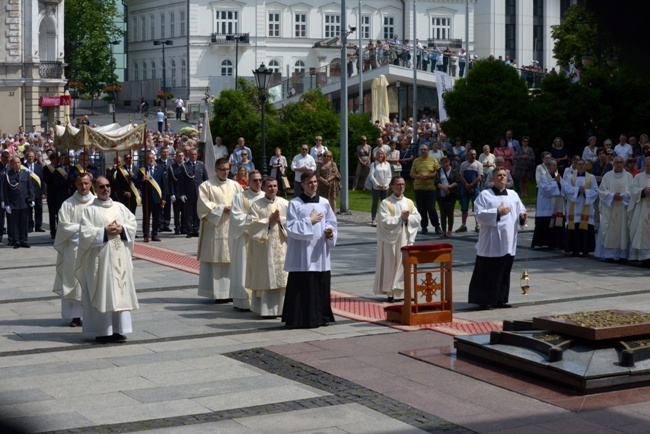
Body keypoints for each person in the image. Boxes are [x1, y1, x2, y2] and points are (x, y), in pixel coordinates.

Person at [76, 176, 138, 343]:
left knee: (120, 291)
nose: (105, 189)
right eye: (101, 186)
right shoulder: (90, 210)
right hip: (101, 261)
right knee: (104, 291)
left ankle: (118, 329)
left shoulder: (120, 207)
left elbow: (132, 224)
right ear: (95, 189)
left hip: (120, 260)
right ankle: (103, 330)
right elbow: (85, 234)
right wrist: (104, 231)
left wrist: (122, 228)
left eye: (108, 186)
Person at [282, 171, 337, 329]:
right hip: (302, 254)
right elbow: (291, 228)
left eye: (315, 182)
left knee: (320, 283)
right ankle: (300, 318)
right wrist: (309, 221)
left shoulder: (324, 203)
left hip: (319, 251)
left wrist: (329, 232)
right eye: (309, 183)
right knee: (303, 284)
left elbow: (331, 223)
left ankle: (320, 316)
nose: (313, 185)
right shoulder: (295, 204)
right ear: (303, 185)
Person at [468, 167, 527, 310]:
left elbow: (521, 209)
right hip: (491, 241)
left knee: (504, 270)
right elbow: (479, 215)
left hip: (508, 240)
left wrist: (522, 216)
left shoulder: (513, 194)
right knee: (488, 271)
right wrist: (497, 212)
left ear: (507, 178)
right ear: (493, 178)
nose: (502, 177)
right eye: (498, 175)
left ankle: (500, 299)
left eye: (504, 175)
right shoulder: (485, 195)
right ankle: (484, 300)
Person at [196, 158, 243, 302]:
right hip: (215, 229)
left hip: (232, 227)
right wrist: (222, 208)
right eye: (222, 169)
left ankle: (233, 291)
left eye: (228, 169)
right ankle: (219, 293)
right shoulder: (207, 186)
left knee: (232, 259)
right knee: (217, 260)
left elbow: (243, 203)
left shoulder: (236, 185)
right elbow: (203, 205)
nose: (226, 172)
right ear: (216, 170)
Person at [53, 172, 94, 328]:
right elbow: (63, 226)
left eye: (86, 183)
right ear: (75, 185)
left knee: (91, 281)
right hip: (74, 249)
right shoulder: (68, 204)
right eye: (80, 184)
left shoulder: (97, 203)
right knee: (74, 281)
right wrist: (84, 230)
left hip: (92, 249)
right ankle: (75, 316)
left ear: (91, 184)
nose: (83, 186)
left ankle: (92, 314)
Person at [373, 176, 421, 302]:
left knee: (405, 265)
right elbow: (384, 221)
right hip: (391, 241)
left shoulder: (409, 202)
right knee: (391, 265)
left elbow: (417, 218)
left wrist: (407, 219)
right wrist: (401, 218)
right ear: (392, 187)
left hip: (405, 238)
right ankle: (391, 293)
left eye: (403, 184)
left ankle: (406, 292)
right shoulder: (386, 203)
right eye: (398, 184)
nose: (401, 187)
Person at [247, 177, 290, 317]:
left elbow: (293, 223)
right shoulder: (256, 205)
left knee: (283, 277)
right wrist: (269, 221)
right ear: (263, 188)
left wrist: (281, 221)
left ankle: (284, 309)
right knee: (267, 276)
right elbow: (251, 226)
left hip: (282, 246)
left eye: (275, 186)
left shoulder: (285, 204)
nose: (273, 188)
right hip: (264, 249)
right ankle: (267, 310)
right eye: (270, 186)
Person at [229, 170, 264, 311]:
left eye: (260, 180)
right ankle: (242, 301)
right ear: (248, 182)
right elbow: (236, 218)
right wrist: (254, 221)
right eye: (255, 180)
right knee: (243, 268)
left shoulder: (265, 196)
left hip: (260, 240)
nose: (258, 183)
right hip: (245, 239)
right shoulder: (239, 197)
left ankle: (258, 301)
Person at [594, 156, 633, 262]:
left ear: (624, 164)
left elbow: (633, 191)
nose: (619, 164)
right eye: (617, 162)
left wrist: (624, 195)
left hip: (623, 209)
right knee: (609, 231)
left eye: (621, 162)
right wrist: (612, 196)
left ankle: (623, 255)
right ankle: (609, 255)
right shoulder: (607, 176)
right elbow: (602, 190)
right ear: (613, 164)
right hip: (610, 208)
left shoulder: (629, 176)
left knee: (623, 231)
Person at [562, 159, 598, 257]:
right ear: (576, 166)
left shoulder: (592, 177)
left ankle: (586, 249)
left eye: (583, 164)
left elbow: (595, 191)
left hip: (586, 205)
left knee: (586, 226)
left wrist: (585, 192)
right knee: (575, 225)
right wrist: (578, 190)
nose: (581, 166)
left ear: (585, 166)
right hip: (574, 206)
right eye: (579, 164)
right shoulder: (570, 177)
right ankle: (574, 249)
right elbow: (567, 189)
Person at [531, 159, 565, 249]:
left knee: (556, 225)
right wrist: (556, 182)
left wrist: (559, 184)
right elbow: (547, 190)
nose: (555, 167)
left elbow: (564, 187)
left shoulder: (558, 176)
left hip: (557, 206)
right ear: (548, 167)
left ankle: (556, 243)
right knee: (545, 225)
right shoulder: (543, 177)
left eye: (556, 165)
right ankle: (540, 243)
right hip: (546, 206)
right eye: (553, 165)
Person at [2, 156, 34, 248]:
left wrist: (31, 198)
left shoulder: (26, 173)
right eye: (15, 163)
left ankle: (24, 240)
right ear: (12, 164)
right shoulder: (8, 175)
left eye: (18, 162)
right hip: (13, 203)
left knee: (24, 222)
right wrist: (6, 204)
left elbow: (30, 187)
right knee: (15, 223)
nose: (17, 164)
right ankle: (16, 241)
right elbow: (5, 190)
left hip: (24, 202)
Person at [137, 152, 168, 242]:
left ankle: (154, 234)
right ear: (146, 160)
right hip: (147, 198)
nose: (151, 160)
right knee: (146, 217)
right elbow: (137, 184)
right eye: (149, 158)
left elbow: (164, 185)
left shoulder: (160, 169)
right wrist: (142, 180)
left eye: (152, 158)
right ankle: (146, 235)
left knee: (156, 217)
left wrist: (164, 198)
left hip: (157, 198)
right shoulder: (142, 170)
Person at [410, 144, 441, 235]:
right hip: (419, 188)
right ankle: (424, 227)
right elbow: (412, 173)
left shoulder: (433, 160)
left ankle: (436, 226)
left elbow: (438, 172)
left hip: (431, 188)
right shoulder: (416, 161)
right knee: (421, 209)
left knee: (431, 208)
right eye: (421, 150)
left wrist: (428, 176)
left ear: (428, 150)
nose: (423, 151)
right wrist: (419, 176)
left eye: (425, 149)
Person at [178, 148, 208, 237]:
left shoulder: (201, 165)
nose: (193, 156)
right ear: (188, 155)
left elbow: (206, 180)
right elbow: (181, 181)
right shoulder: (184, 166)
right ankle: (189, 231)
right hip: (188, 193)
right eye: (191, 154)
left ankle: (196, 229)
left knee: (197, 213)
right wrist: (182, 193)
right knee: (188, 213)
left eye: (195, 154)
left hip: (199, 193)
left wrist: (206, 192)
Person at [628, 156, 650, 266]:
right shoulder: (638, 177)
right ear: (644, 164)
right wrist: (643, 191)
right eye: (647, 164)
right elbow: (632, 189)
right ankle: (643, 257)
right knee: (641, 231)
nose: (649, 166)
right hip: (642, 208)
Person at [456, 150, 483, 233]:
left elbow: (479, 177)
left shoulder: (479, 164)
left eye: (474, 154)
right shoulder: (463, 164)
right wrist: (466, 185)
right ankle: (463, 225)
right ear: (467, 155)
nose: (473, 156)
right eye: (471, 154)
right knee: (464, 208)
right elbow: (461, 176)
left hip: (475, 189)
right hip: (465, 188)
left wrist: (471, 185)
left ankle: (477, 225)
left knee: (477, 208)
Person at [436, 157, 460, 237]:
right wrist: (443, 187)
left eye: (446, 162)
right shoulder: (439, 171)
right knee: (443, 213)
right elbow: (436, 182)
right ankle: (443, 231)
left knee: (450, 213)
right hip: (441, 194)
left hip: (451, 194)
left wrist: (449, 187)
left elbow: (457, 181)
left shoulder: (454, 170)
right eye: (443, 162)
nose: (445, 164)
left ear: (449, 162)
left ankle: (449, 230)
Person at [368, 149, 391, 227]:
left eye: (381, 154)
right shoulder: (374, 164)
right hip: (376, 187)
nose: (380, 155)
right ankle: (373, 219)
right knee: (375, 203)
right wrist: (377, 185)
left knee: (384, 204)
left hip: (385, 187)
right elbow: (371, 176)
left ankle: (383, 219)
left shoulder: (387, 164)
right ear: (376, 155)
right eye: (378, 154)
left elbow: (389, 176)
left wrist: (386, 184)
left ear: (384, 155)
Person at [168, 150, 186, 234]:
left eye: (182, 156)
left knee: (185, 212)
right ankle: (177, 227)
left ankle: (183, 227)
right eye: (179, 156)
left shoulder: (186, 166)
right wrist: (172, 194)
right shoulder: (172, 167)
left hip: (184, 193)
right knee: (176, 212)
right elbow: (170, 181)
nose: (181, 157)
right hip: (176, 192)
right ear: (176, 157)